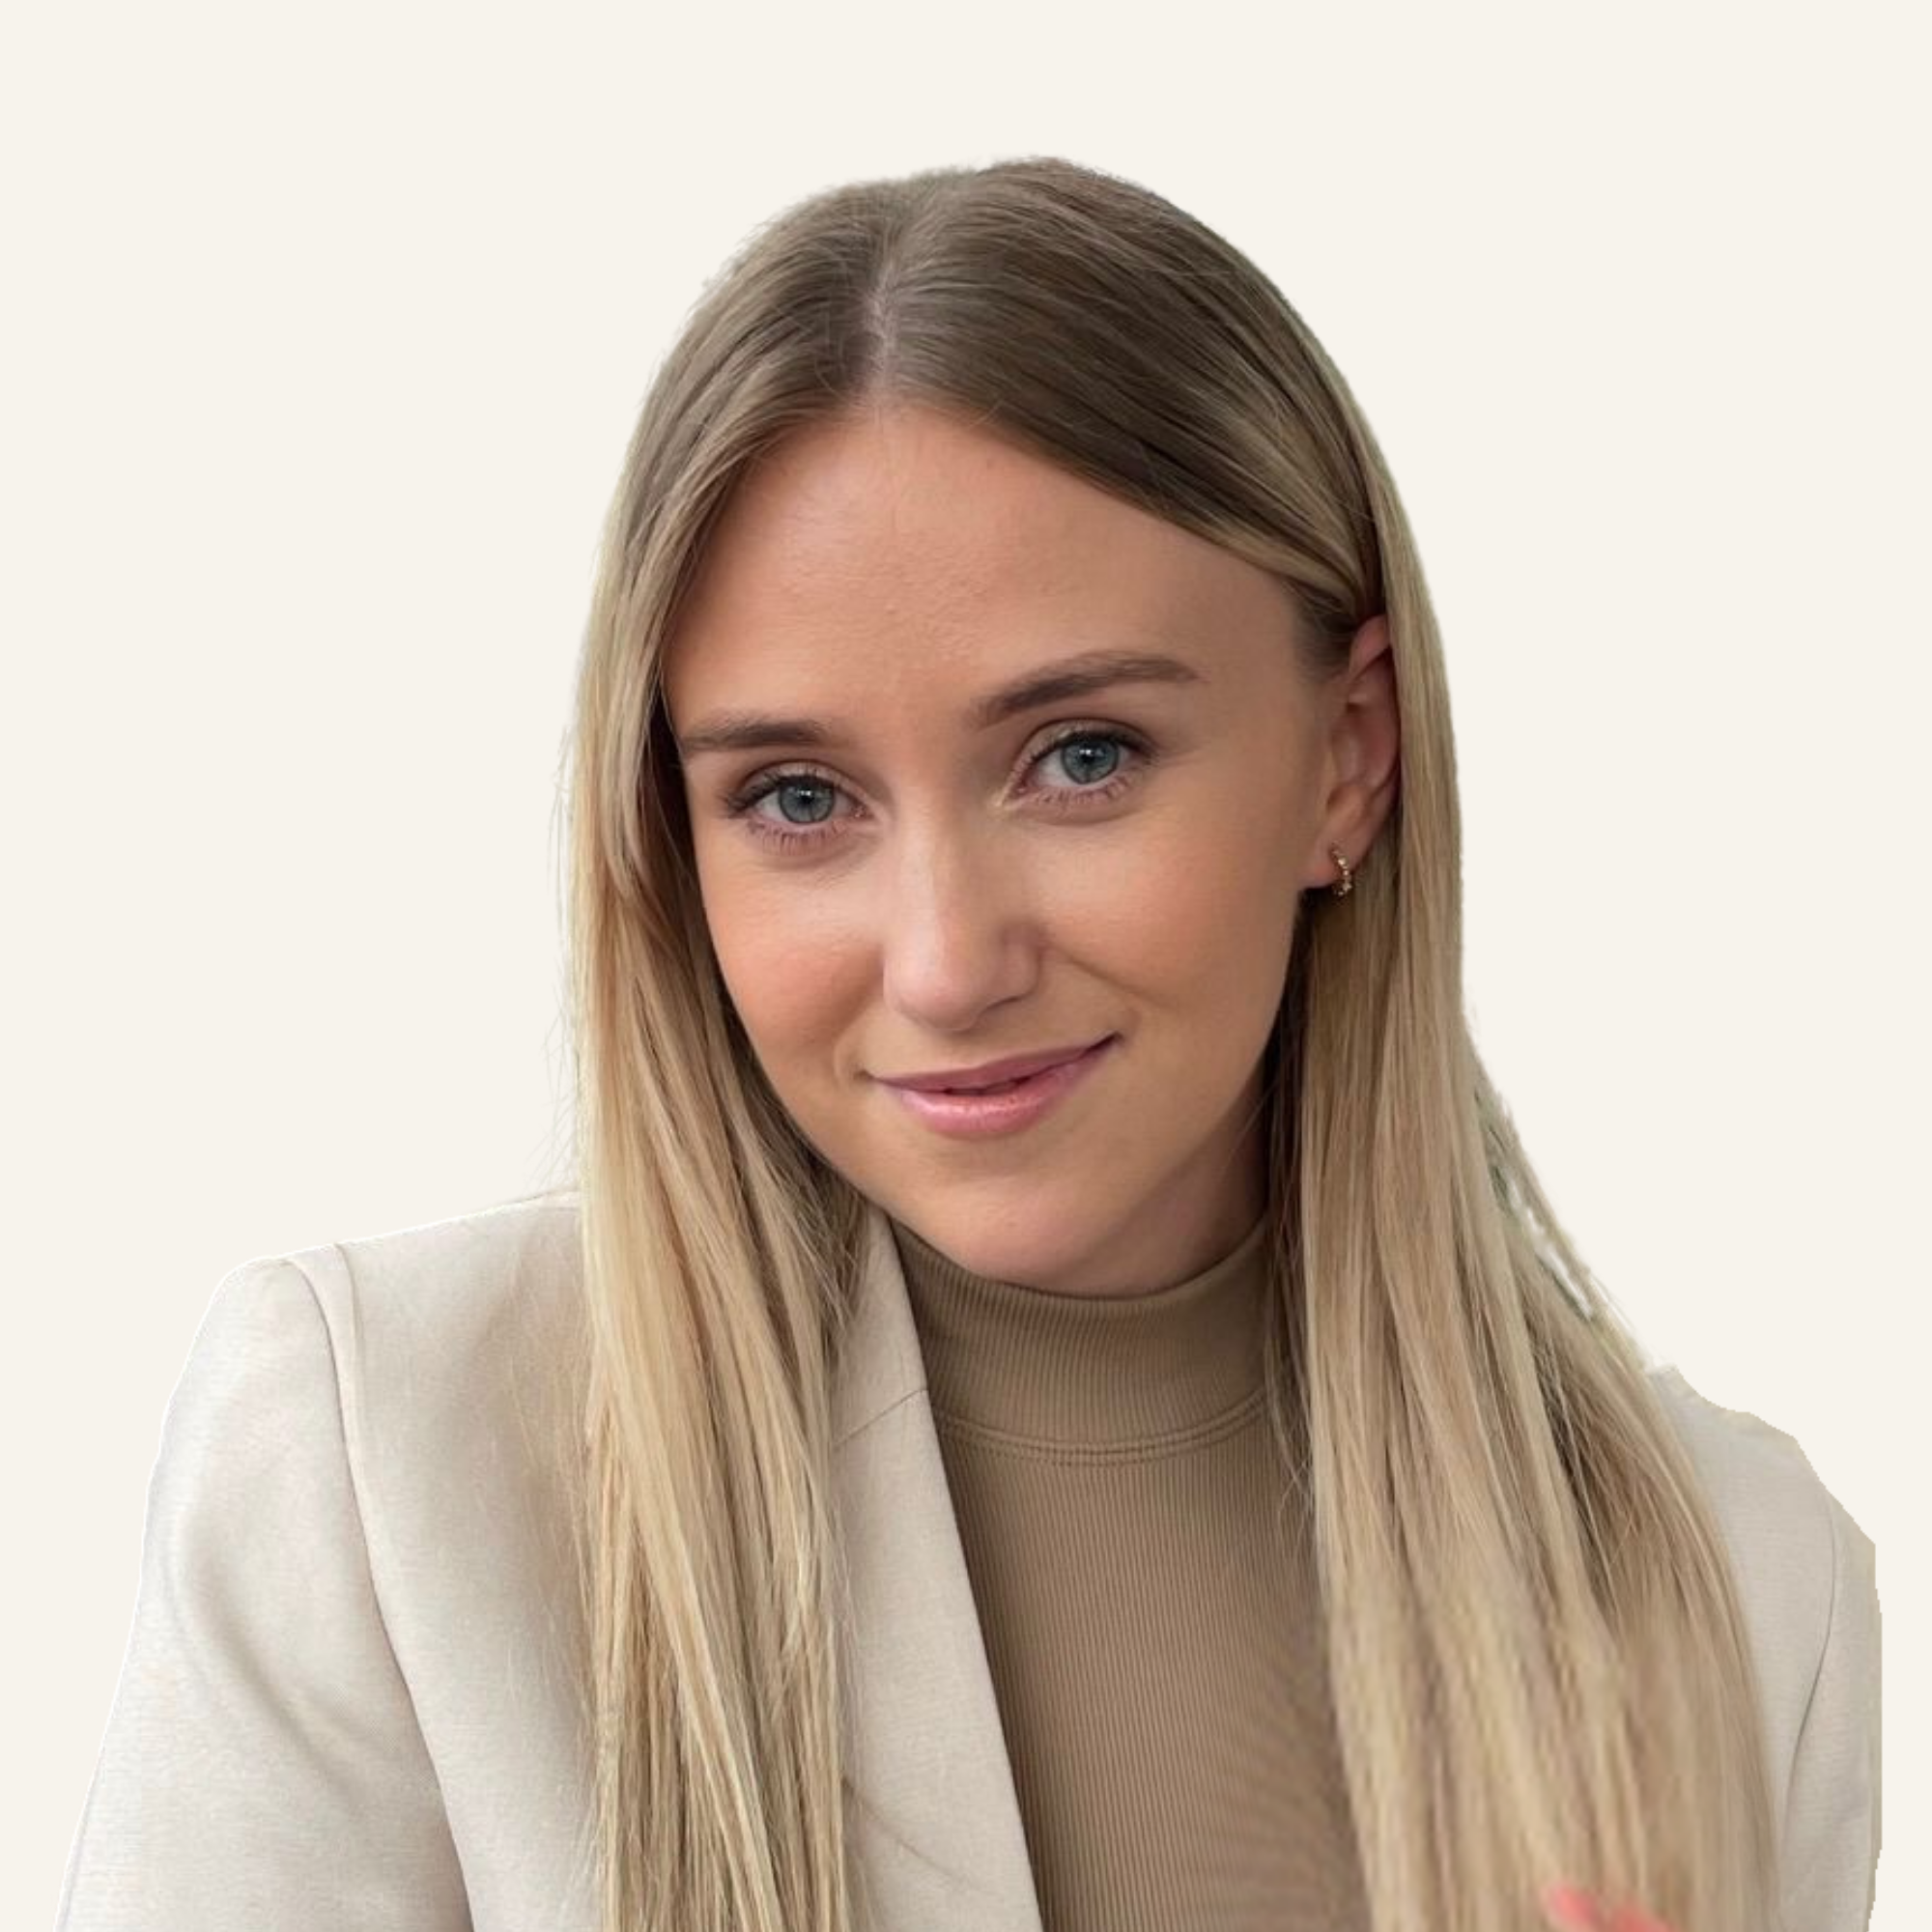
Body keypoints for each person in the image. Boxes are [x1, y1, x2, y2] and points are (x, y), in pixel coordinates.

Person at [53, 156, 1879, 1932]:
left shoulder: (1737, 1584)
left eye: (1081, 756)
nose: (943, 961)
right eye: (794, 795)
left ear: (1350, 755)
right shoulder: (381, 1473)